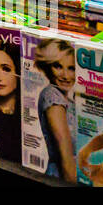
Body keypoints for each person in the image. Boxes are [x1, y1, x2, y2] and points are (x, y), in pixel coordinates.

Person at [34, 37, 77, 181]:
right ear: (48, 67)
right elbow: (65, 153)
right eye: (58, 66)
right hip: (62, 177)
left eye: (71, 68)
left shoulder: (69, 101)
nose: (65, 76)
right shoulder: (52, 95)